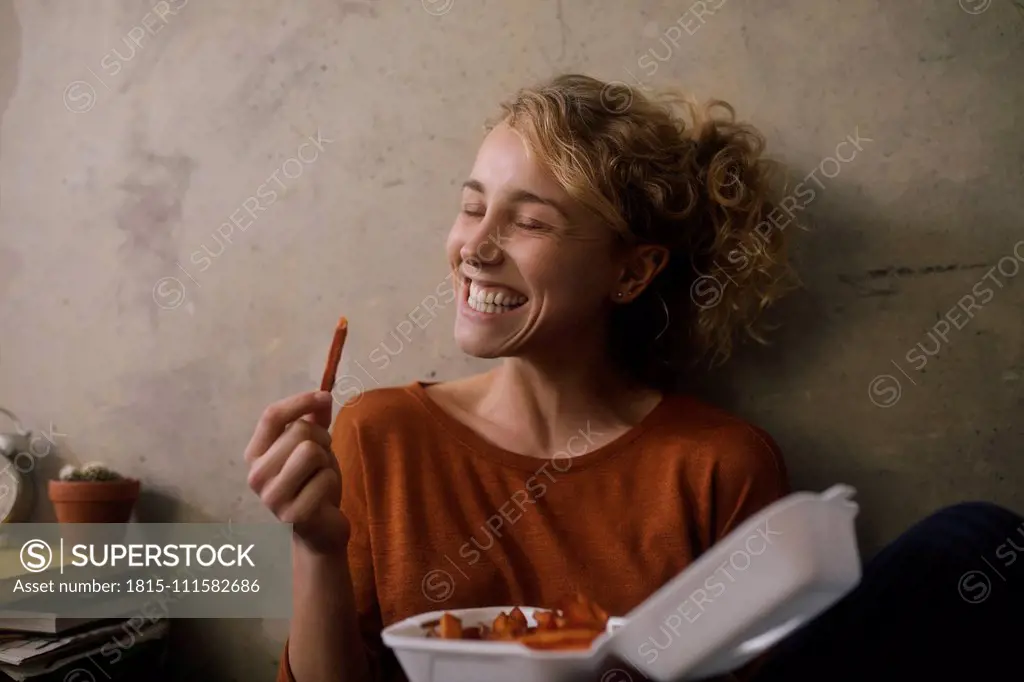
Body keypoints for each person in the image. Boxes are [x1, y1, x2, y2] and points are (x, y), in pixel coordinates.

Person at [243, 74, 1022, 682]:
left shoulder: (719, 464)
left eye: (529, 221)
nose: (475, 248)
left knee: (976, 543)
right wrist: (316, 546)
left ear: (632, 269)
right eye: (472, 207)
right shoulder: (379, 434)